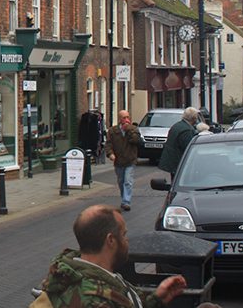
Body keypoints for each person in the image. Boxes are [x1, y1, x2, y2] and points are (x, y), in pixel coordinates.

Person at [33, 204, 222, 308]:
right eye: (124, 234)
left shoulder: (88, 275)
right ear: (111, 240)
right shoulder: (92, 298)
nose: (127, 241)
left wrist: (156, 299)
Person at [104, 110, 141, 211]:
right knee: (121, 181)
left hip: (130, 160)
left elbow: (136, 141)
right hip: (119, 161)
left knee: (128, 181)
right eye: (124, 118)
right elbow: (108, 145)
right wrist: (110, 154)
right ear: (120, 119)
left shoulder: (134, 129)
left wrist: (129, 130)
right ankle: (124, 197)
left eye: (128, 117)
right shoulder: (112, 131)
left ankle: (126, 202)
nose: (126, 120)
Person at [158, 107, 199, 179]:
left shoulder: (177, 126)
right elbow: (188, 149)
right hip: (180, 163)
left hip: (173, 162)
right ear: (194, 118)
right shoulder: (187, 130)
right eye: (196, 117)